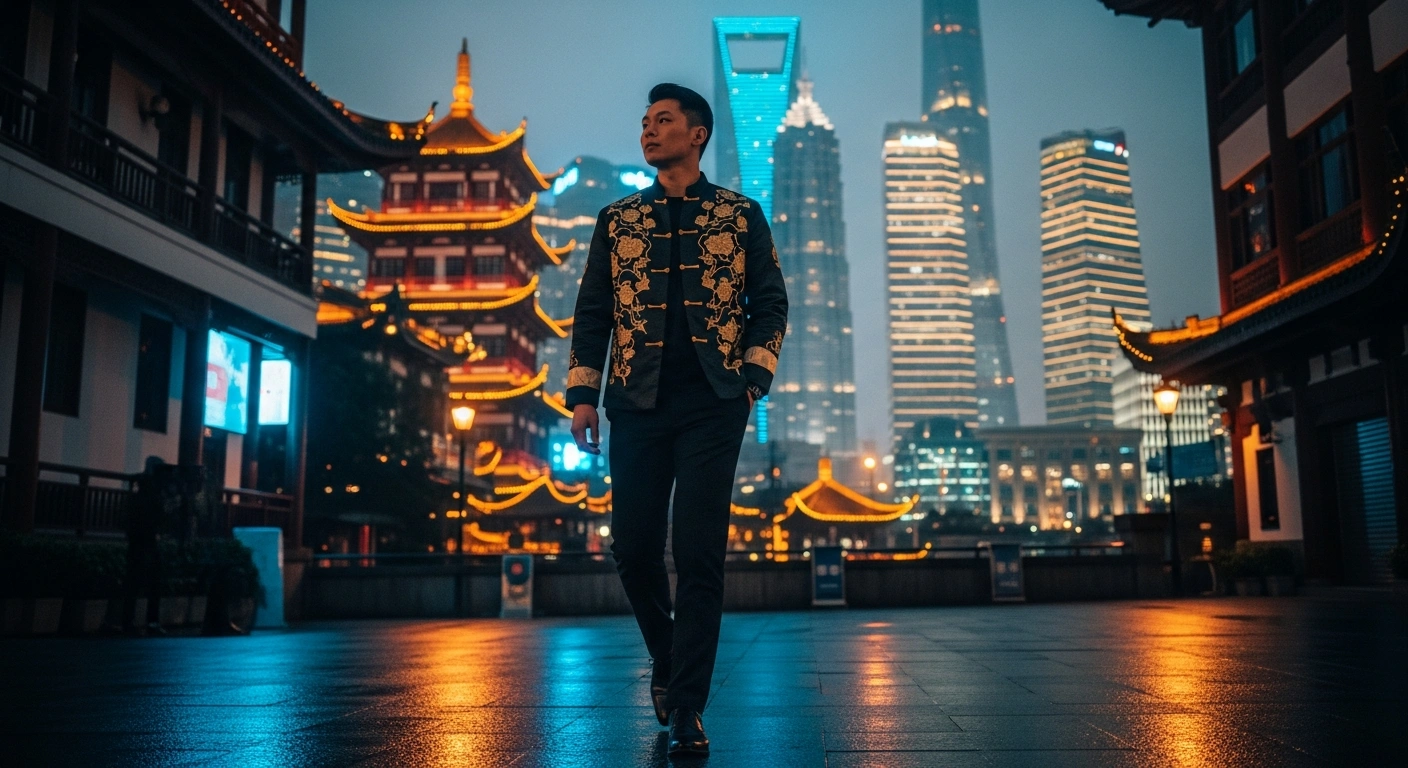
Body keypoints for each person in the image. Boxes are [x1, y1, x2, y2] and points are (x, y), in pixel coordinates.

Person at [565, 82, 788, 757]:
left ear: (697, 135)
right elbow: (593, 311)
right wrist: (582, 393)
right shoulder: (618, 219)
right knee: (631, 548)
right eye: (644, 123)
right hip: (635, 402)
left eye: (663, 121)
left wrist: (753, 379)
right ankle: (668, 657)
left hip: (714, 406)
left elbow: (770, 301)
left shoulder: (739, 214)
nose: (648, 132)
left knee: (697, 555)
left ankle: (687, 704)